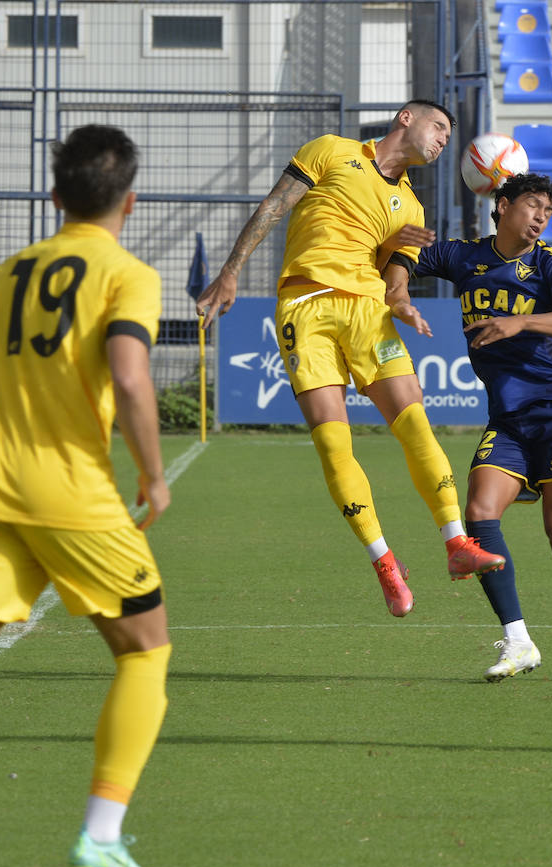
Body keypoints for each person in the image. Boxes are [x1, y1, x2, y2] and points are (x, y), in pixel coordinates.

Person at [0, 124, 170, 867]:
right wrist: (154, 475)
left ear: (54, 197)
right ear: (130, 200)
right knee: (144, 653)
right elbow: (128, 380)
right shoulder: (126, 274)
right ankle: (102, 836)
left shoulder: (0, 275)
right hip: (73, 495)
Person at [195, 100, 504, 617]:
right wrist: (231, 270)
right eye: (440, 127)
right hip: (304, 305)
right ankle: (384, 562)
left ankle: (456, 545)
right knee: (335, 444)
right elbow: (274, 205)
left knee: (416, 425)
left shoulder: (411, 209)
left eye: (449, 135)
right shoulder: (331, 152)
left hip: (368, 313)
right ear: (406, 117)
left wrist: (402, 303)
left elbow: (396, 278)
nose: (444, 139)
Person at [406, 173, 552, 684]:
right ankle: (519, 641)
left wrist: (520, 322)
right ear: (502, 206)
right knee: (478, 515)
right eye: (533, 205)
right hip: (507, 418)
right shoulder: (463, 257)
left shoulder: (550, 262)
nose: (541, 217)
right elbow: (406, 254)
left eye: (548, 210)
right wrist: (396, 277)